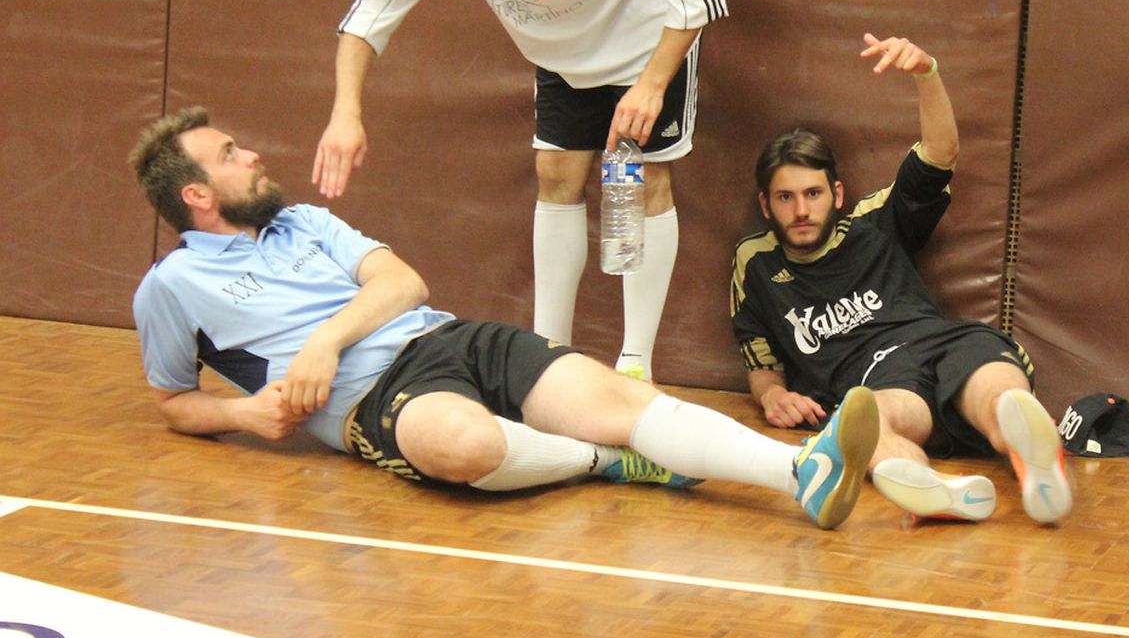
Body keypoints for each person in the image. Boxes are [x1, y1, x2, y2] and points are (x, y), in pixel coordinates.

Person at [129, 107, 877, 531]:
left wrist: (323, 340)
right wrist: (243, 415)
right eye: (229, 154)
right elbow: (172, 401)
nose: (251, 152)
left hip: (449, 337)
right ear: (197, 196)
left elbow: (401, 281)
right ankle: (607, 462)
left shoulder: (305, 221)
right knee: (464, 443)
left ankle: (798, 472)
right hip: (374, 401)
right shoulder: (173, 286)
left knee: (617, 398)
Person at [314, 0, 728, 382]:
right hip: (561, 40)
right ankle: (547, 354)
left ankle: (636, 365)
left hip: (644, 34)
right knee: (556, 172)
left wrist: (652, 83)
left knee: (631, 179)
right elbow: (370, 12)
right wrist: (345, 114)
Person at [730, 34, 1072, 524]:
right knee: (864, 420)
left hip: (946, 343)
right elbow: (758, 353)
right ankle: (933, 491)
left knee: (998, 396)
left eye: (813, 193)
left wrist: (926, 73)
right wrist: (771, 395)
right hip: (878, 381)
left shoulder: (875, 222)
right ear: (765, 204)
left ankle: (1032, 452)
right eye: (786, 198)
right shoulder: (754, 264)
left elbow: (939, 153)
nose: (802, 210)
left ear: (838, 193)